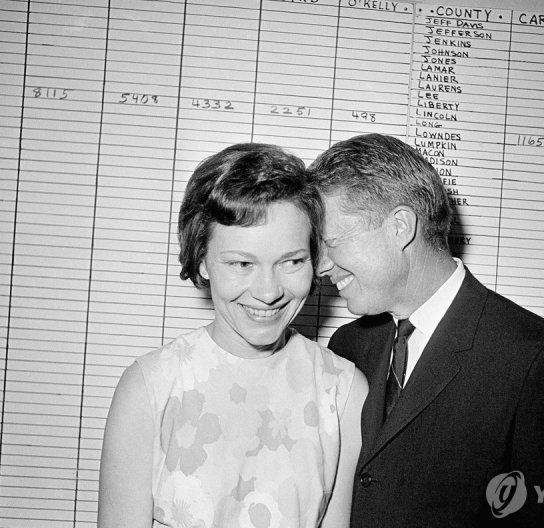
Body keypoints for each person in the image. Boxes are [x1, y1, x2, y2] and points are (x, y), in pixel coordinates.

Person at [309, 133, 544, 527]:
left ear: (400, 227)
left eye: (331, 243)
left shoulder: (543, 362)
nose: (321, 267)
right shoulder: (349, 345)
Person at [98, 143, 368, 528]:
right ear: (203, 261)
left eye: (291, 261)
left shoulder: (343, 393)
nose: (268, 291)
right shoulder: (150, 387)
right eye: (242, 263)